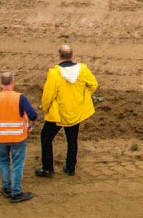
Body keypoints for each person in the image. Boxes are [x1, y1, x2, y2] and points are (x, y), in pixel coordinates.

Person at [35, 44, 98, 178]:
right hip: (75, 111)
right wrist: (82, 97)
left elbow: (48, 95)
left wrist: (45, 108)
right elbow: (93, 84)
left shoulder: (54, 73)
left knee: (46, 138)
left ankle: (47, 168)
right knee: (72, 139)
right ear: (72, 55)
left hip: (58, 114)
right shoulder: (82, 69)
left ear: (59, 55)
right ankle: (70, 167)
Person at [0, 72, 37, 203]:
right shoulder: (20, 98)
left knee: (3, 162)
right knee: (17, 164)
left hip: (0, 137)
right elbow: (33, 114)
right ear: (13, 82)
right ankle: (16, 192)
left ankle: (6, 188)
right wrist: (30, 126)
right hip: (18, 137)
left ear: (0, 83)